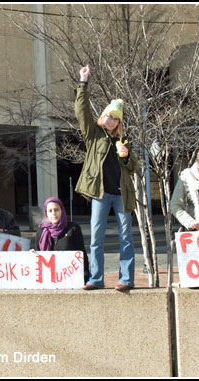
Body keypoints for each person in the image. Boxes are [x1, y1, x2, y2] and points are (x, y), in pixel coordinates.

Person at [75, 65, 139, 291]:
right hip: (101, 194)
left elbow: (134, 168)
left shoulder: (124, 141)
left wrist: (127, 156)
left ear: (119, 123)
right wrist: (83, 83)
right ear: (102, 117)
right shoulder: (94, 135)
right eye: (108, 116)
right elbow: (81, 111)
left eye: (115, 118)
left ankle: (126, 279)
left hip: (121, 194)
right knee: (96, 238)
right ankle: (95, 279)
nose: (110, 121)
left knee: (126, 238)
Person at [34, 197, 89, 283]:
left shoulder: (73, 228)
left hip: (70, 276)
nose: (54, 213)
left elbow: (82, 252)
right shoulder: (41, 230)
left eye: (56, 210)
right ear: (46, 213)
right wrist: (33, 254)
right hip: (48, 278)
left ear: (62, 210)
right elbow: (37, 252)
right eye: (50, 211)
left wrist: (85, 272)